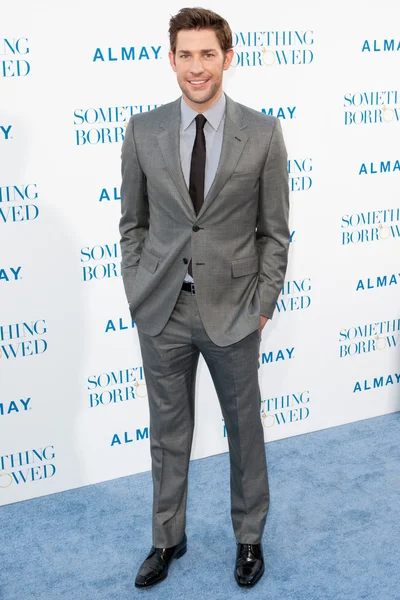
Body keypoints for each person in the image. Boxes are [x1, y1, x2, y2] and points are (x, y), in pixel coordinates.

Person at [119, 6, 290, 589]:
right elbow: (132, 224)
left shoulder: (263, 133)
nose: (197, 67)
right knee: (168, 433)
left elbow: (275, 231)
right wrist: (138, 289)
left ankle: (249, 537)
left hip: (236, 312)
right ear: (171, 60)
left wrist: (263, 304)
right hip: (162, 309)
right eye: (185, 54)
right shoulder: (142, 131)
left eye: (207, 54)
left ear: (228, 58)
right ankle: (167, 537)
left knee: (245, 430)